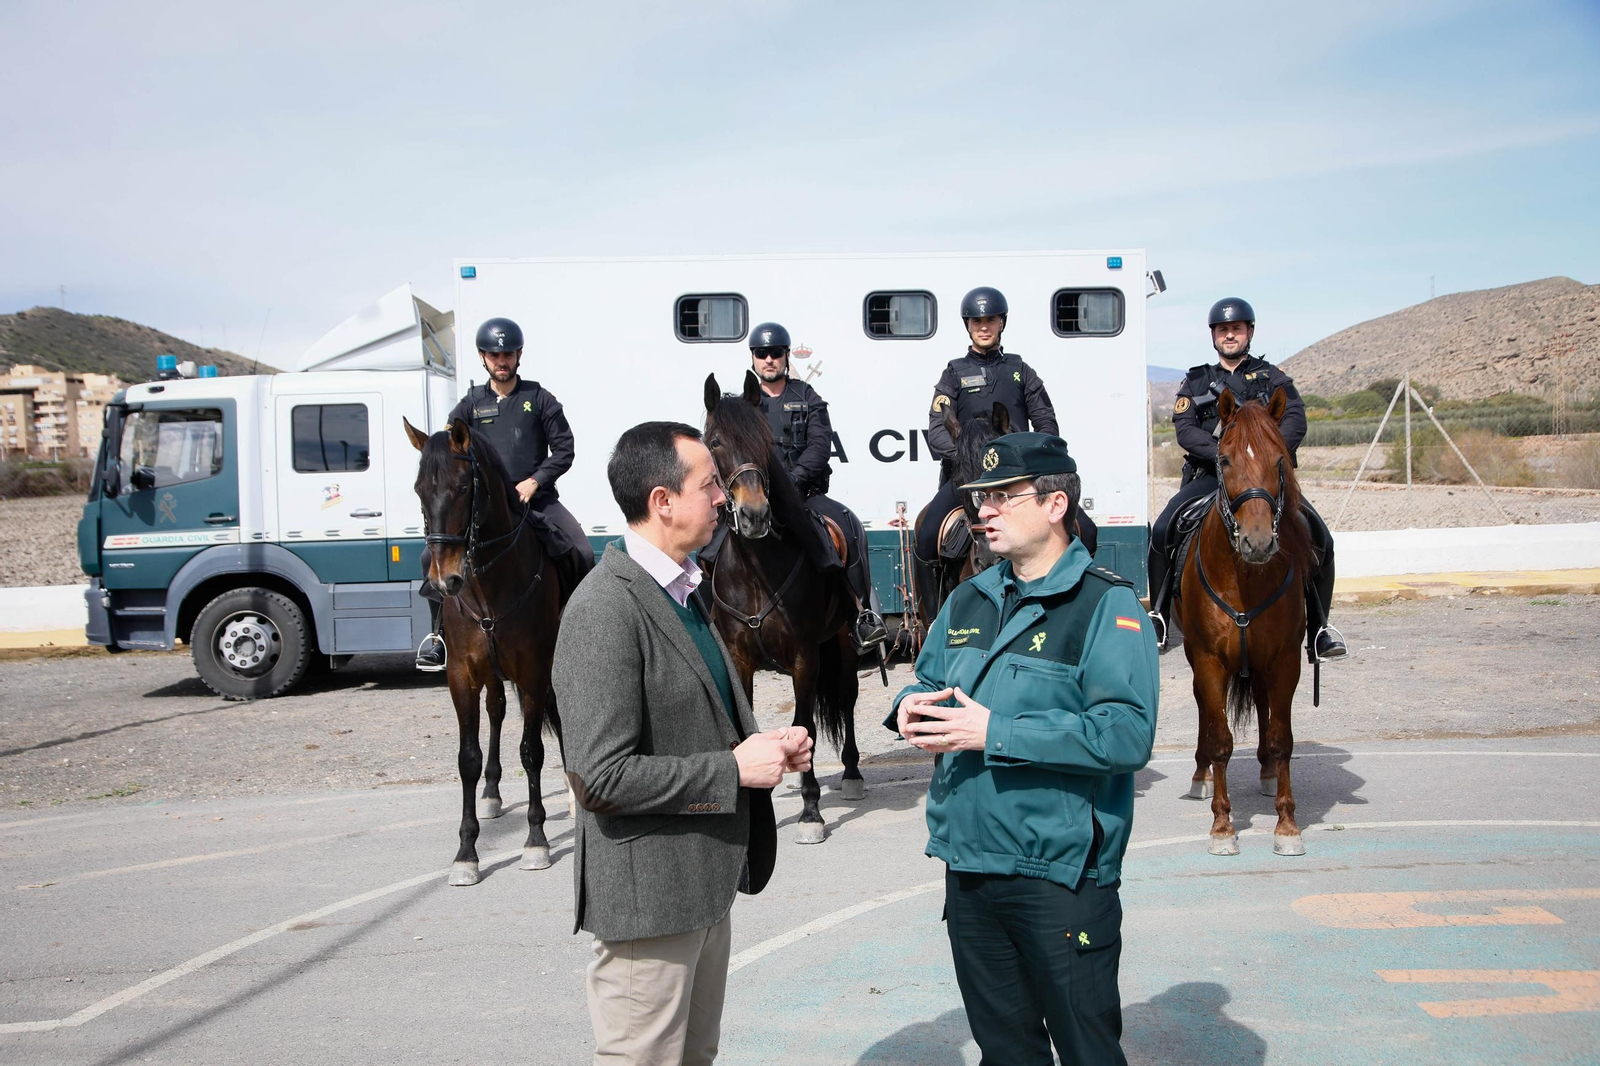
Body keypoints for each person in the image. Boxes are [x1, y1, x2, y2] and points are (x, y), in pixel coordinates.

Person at [887, 431, 1158, 1065]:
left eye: (1002, 497)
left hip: (1059, 877)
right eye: (980, 498)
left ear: (1055, 504)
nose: (983, 511)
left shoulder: (1106, 604)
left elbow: (1126, 733)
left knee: (1088, 1051)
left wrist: (995, 733)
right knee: (1006, 1053)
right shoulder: (967, 598)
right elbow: (928, 678)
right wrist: (909, 705)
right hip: (971, 869)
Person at [553, 421, 813, 1066]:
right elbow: (599, 779)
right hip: (651, 903)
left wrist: (762, 746)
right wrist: (731, 770)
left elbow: (693, 716)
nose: (723, 497)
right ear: (662, 501)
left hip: (702, 887)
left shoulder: (684, 592)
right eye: (709, 485)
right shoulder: (603, 610)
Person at [1146, 297, 1346, 661]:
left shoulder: (1274, 378)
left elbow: (1296, 419)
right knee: (1162, 530)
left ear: (1249, 332)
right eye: (1223, 330)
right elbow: (1185, 430)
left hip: (1264, 480)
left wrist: (1263, 454)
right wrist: (1227, 456)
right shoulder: (1196, 380)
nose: (1229, 335)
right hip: (1211, 475)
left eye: (1236, 329)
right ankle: (1158, 616)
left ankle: (1319, 629)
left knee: (1320, 537)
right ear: (1213, 336)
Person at [416, 316, 593, 671]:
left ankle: (579, 631)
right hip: (486, 507)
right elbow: (449, 451)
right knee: (426, 559)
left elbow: (564, 449)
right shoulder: (469, 405)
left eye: (508, 354)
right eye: (494, 355)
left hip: (537, 500)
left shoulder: (540, 399)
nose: (502, 361)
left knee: (583, 552)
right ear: (482, 357)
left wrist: (535, 481)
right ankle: (439, 637)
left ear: (518, 356)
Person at [701, 321, 887, 650]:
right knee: (706, 545)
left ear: (786, 356)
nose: (768, 359)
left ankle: (860, 616)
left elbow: (820, 444)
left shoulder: (807, 396)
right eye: (762, 353)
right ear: (753, 358)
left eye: (775, 353)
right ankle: (705, 625)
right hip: (756, 494)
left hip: (803, 494)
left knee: (846, 528)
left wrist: (796, 479)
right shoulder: (745, 406)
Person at [917, 286, 1098, 563]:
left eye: (990, 320)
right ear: (968, 325)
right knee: (928, 536)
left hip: (1018, 474)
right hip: (968, 477)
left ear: (1001, 322)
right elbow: (937, 430)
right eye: (977, 321)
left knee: (1087, 530)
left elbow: (1046, 424)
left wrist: (1028, 459)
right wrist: (969, 458)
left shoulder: (1021, 371)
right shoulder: (953, 374)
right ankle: (931, 593)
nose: (984, 327)